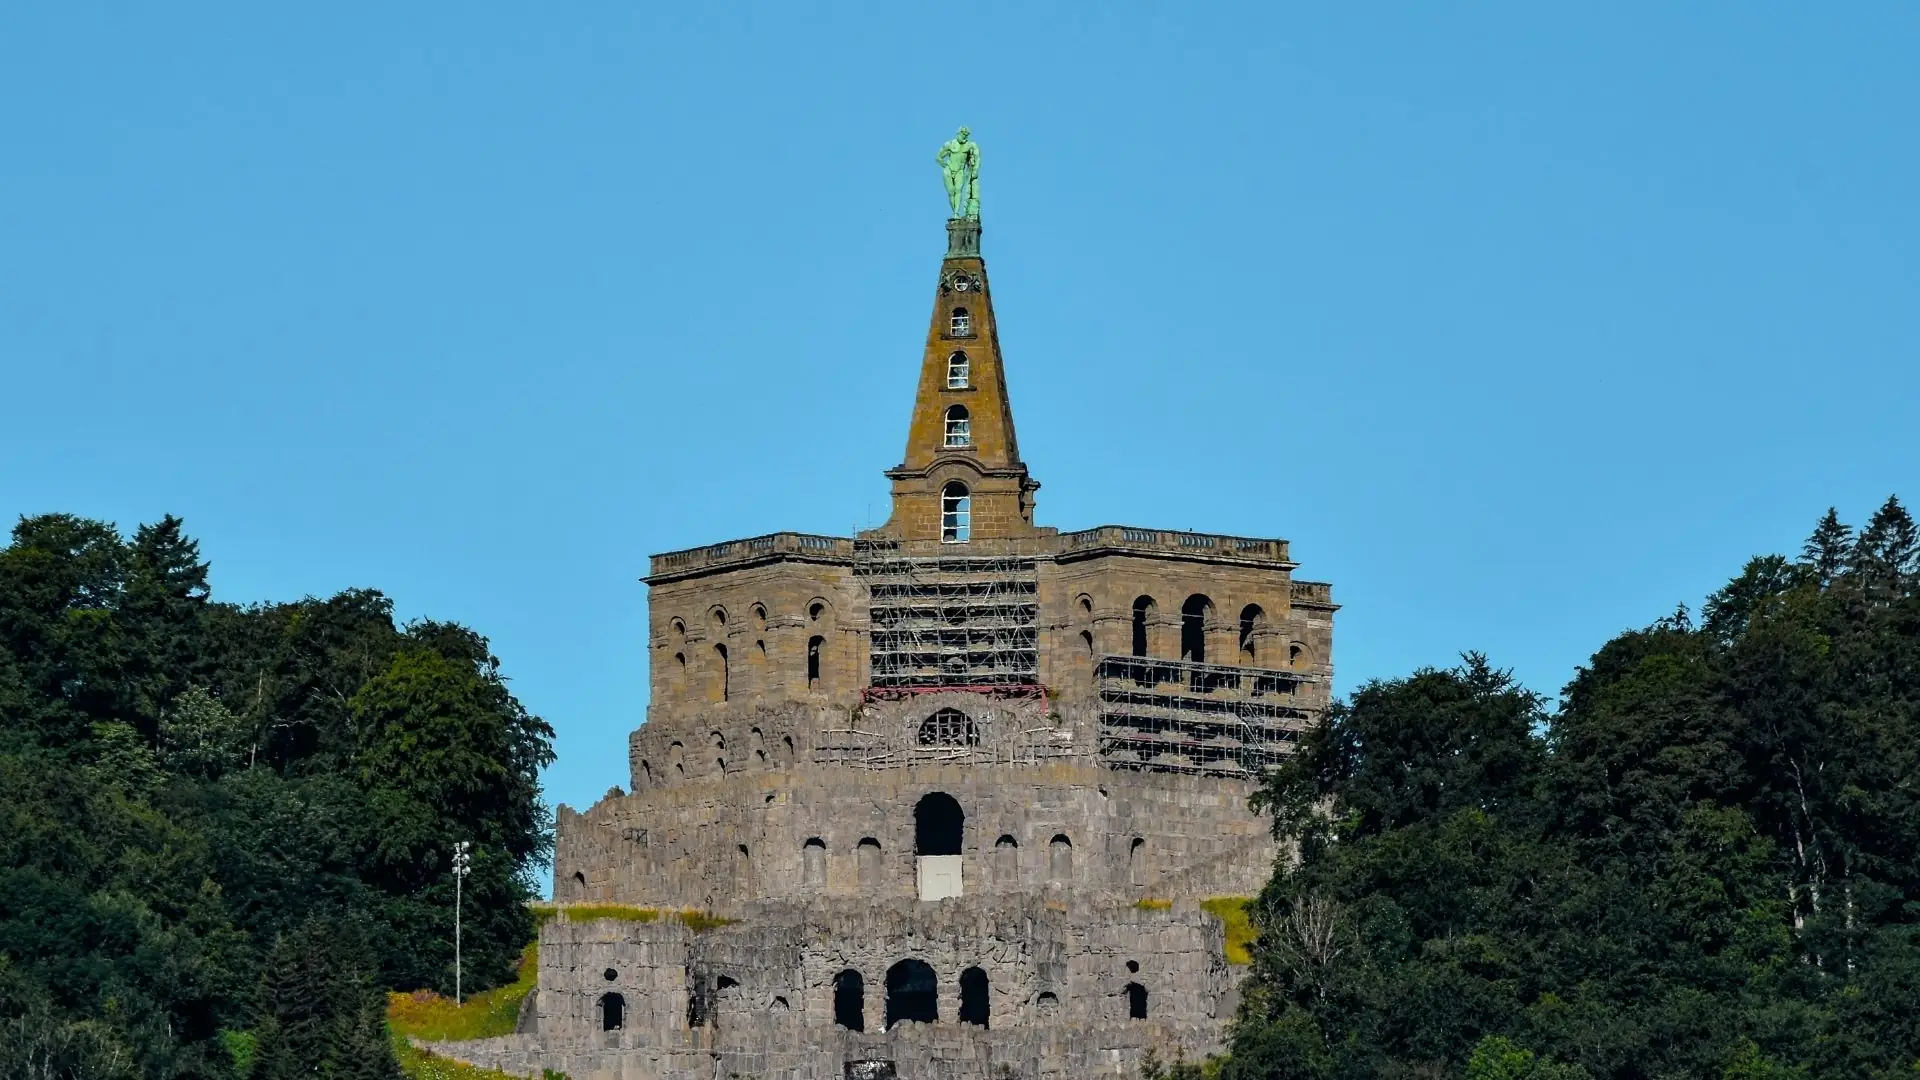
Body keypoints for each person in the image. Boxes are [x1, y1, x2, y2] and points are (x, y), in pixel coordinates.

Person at [936, 127, 981, 219]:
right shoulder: (950, 144)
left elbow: (976, 158)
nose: (964, 136)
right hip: (949, 169)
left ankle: (956, 212)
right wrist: (944, 165)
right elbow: (938, 157)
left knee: (958, 190)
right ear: (958, 133)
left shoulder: (969, 146)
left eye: (966, 135)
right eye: (962, 134)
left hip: (960, 171)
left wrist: (975, 169)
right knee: (951, 192)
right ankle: (954, 211)